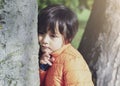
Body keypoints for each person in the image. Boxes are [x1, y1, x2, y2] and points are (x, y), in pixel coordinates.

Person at [38, 4, 94, 86]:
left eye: (53, 36)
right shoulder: (47, 56)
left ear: (68, 38)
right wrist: (43, 67)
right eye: (41, 33)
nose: (44, 40)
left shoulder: (72, 61)